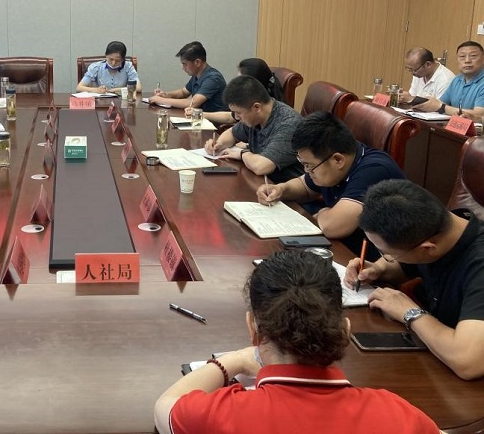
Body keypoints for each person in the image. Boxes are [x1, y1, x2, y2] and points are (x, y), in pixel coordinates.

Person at [154, 250, 439, 434]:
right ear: (345, 330)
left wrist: (232, 361)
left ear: (253, 328)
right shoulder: (399, 416)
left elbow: (165, 406)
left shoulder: (220, 415)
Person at [345, 179, 484, 381]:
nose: (387, 258)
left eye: (388, 254)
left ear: (427, 248)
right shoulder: (441, 228)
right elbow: (408, 264)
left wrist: (410, 312)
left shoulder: (479, 264)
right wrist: (379, 268)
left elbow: (468, 362)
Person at [256, 112, 404, 256]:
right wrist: (281, 189)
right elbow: (305, 187)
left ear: (338, 160)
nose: (307, 170)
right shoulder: (332, 161)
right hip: (342, 245)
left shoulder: (374, 170)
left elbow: (333, 227)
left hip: (376, 258)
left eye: (309, 165)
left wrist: (322, 213)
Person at [205, 75, 303, 181]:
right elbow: (232, 133)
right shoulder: (255, 117)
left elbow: (262, 167)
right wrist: (218, 145)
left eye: (238, 113)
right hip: (259, 180)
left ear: (257, 107)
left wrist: (243, 154)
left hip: (282, 186)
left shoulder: (288, 124)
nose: (236, 117)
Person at [191, 57, 284, 124]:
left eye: (241, 81)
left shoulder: (274, 115)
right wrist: (200, 114)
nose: (237, 84)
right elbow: (230, 117)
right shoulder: (250, 101)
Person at [414, 40, 484, 121]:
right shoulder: (457, 79)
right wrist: (424, 105)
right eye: (462, 57)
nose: (467, 60)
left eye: (473, 56)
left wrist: (441, 107)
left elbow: (478, 115)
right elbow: (441, 103)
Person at [148, 41, 228, 112]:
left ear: (197, 62)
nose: (183, 68)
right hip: (200, 118)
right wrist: (166, 95)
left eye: (185, 64)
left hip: (214, 122)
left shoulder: (213, 78)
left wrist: (161, 100)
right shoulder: (197, 75)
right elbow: (183, 92)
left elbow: (193, 103)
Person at [76, 41, 142, 94]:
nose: (113, 63)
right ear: (106, 55)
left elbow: (138, 88)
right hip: (102, 103)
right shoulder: (96, 67)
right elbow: (79, 88)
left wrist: (116, 90)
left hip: (122, 102)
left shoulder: (128, 67)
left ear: (123, 59)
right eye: (111, 59)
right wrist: (96, 90)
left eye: (118, 61)